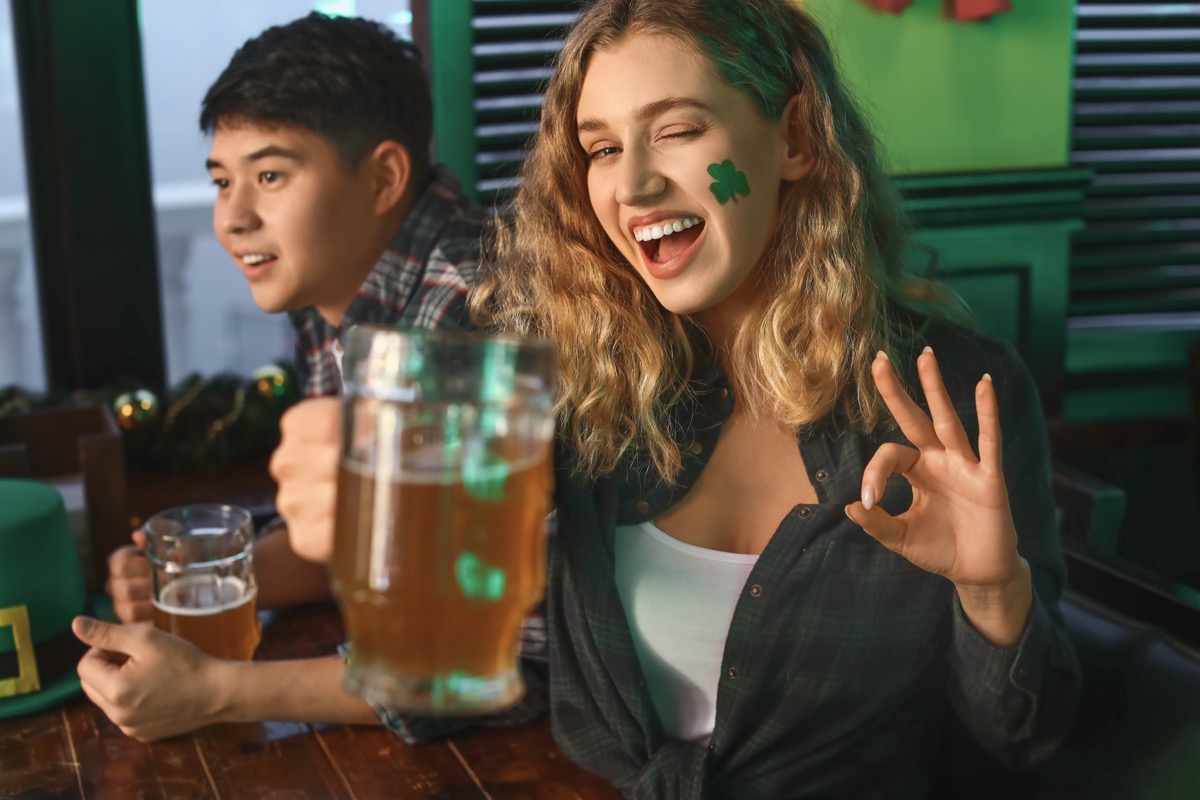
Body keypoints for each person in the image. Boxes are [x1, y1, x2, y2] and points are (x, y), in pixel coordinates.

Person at [273, 0, 1081, 797]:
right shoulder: (577, 389)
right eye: (600, 148)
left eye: (678, 130)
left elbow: (1026, 739)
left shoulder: (957, 394)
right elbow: (451, 655)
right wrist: (393, 511)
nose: (633, 184)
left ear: (794, 139)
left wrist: (991, 595)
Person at [73, 12, 489, 740]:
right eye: (220, 180)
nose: (232, 218)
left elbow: (473, 659)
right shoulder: (335, 281)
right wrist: (215, 579)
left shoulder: (471, 318)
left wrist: (214, 691)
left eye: (269, 175)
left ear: (384, 176)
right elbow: (357, 536)